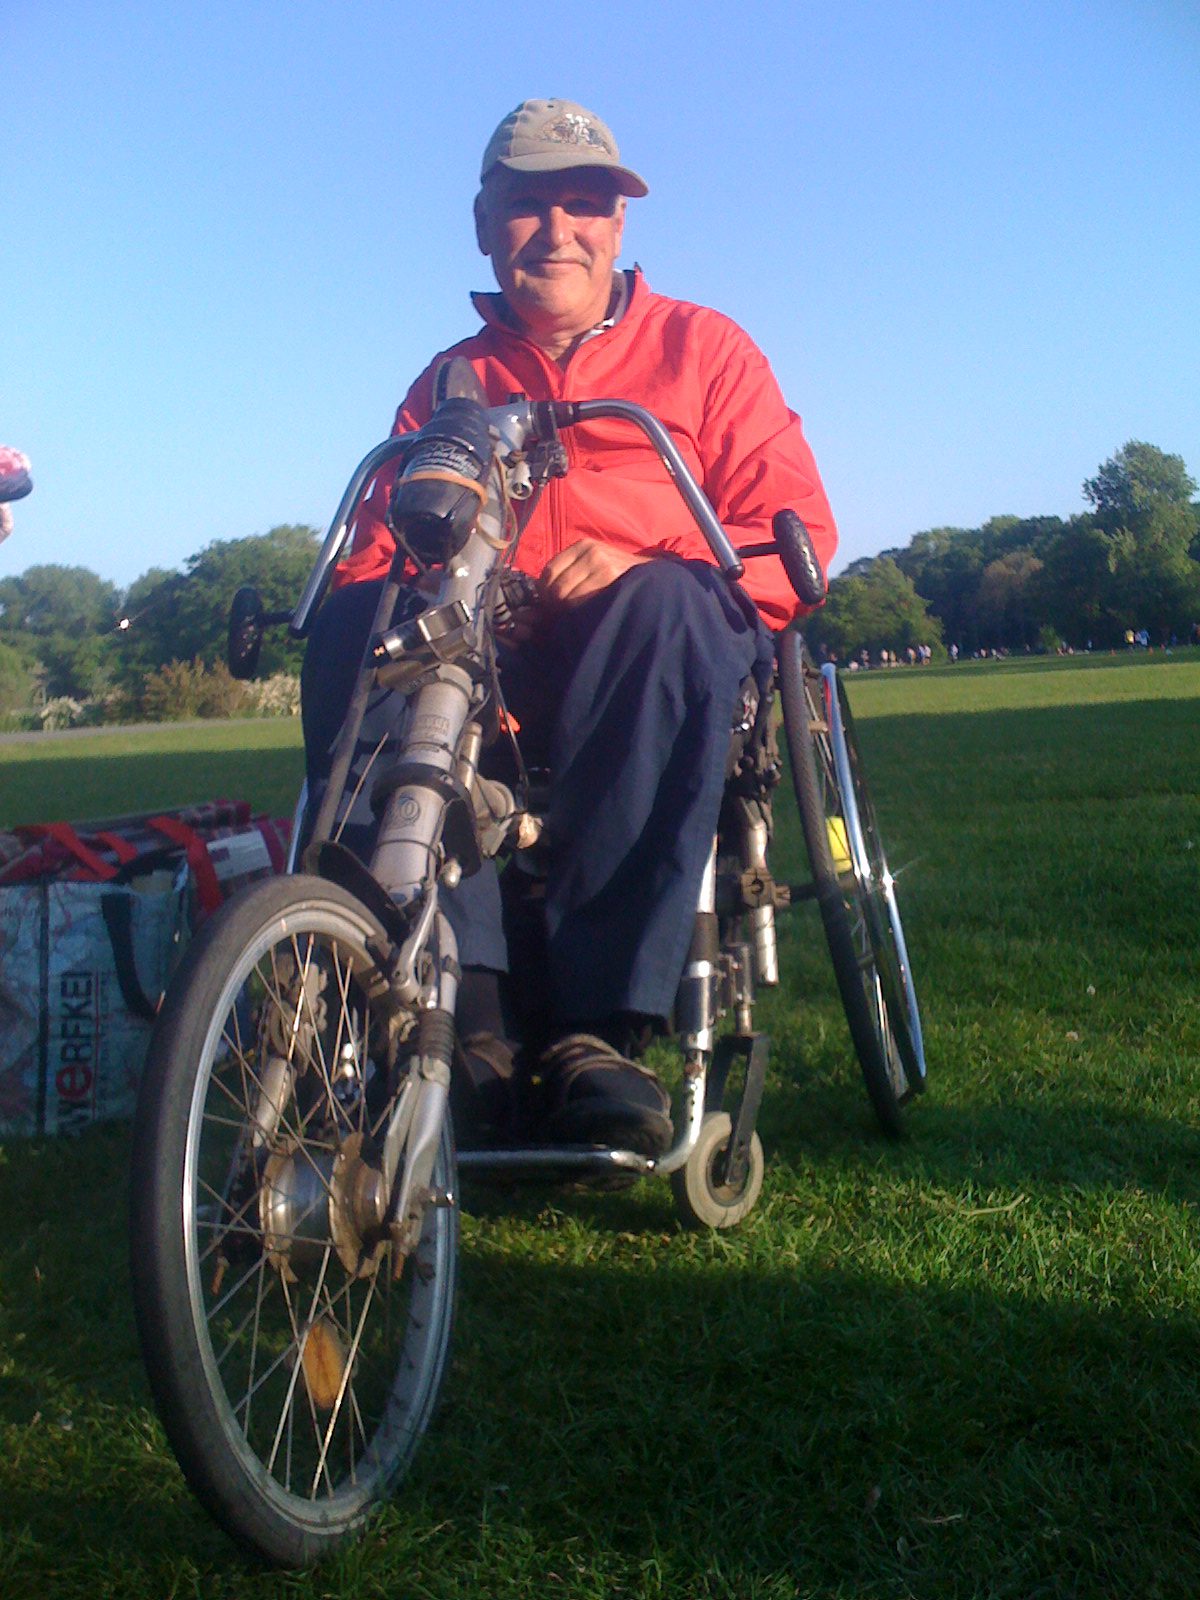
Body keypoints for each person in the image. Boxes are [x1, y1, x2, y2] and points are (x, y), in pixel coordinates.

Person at [302, 99, 838, 1155]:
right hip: (490, 675)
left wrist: (651, 554)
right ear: (483, 224)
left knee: (665, 603)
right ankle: (472, 1023)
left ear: (618, 224)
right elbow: (374, 551)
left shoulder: (705, 349)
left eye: (585, 203)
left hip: (654, 655)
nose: (558, 230)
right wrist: (420, 593)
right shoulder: (447, 385)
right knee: (362, 622)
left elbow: (796, 542)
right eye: (527, 205)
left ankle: (597, 1033)